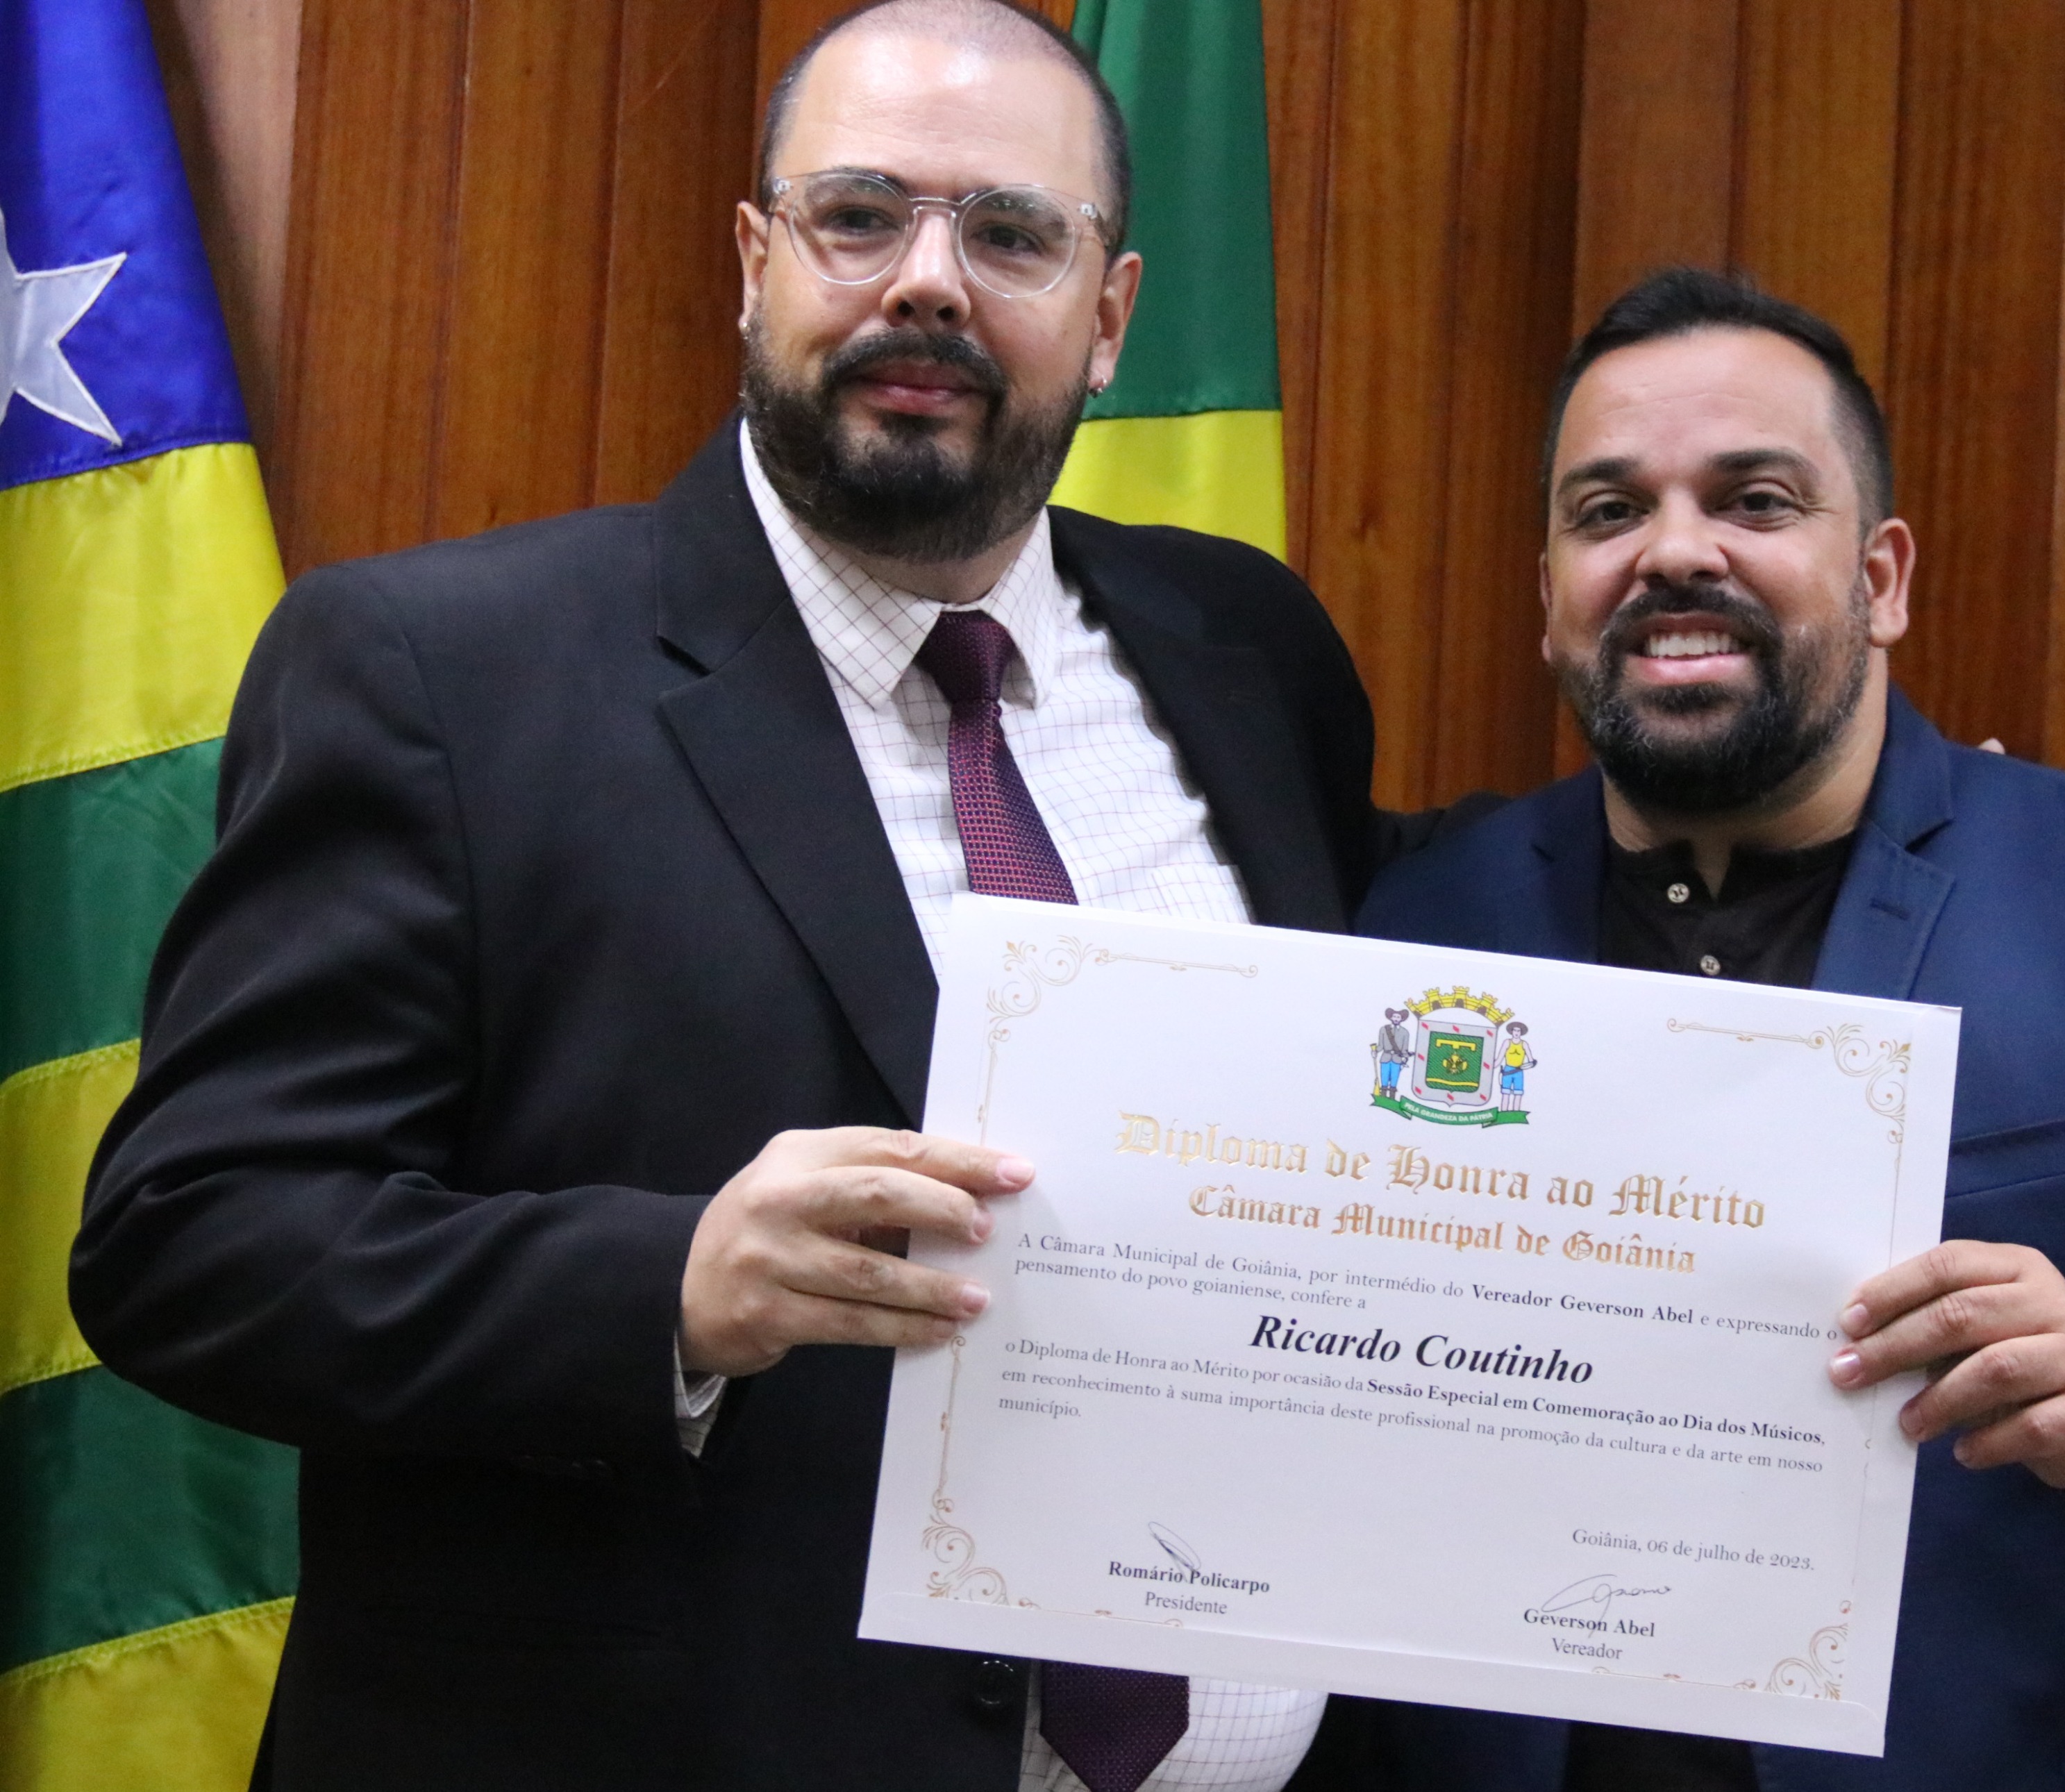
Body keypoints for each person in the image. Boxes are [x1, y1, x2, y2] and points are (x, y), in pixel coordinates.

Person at [73, 5, 1416, 1789]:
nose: (927, 282)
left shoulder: (1247, 653)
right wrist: (673, 1287)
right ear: (753, 260)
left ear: (1107, 317)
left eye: (1010, 234)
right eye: (858, 216)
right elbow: (189, 1242)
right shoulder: (438, 675)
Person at [1340, 269, 2065, 1791]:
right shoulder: (1414, 924)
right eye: (1609, 512)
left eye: (1754, 500)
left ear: (1880, 577)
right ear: (1550, 598)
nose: (1675, 550)